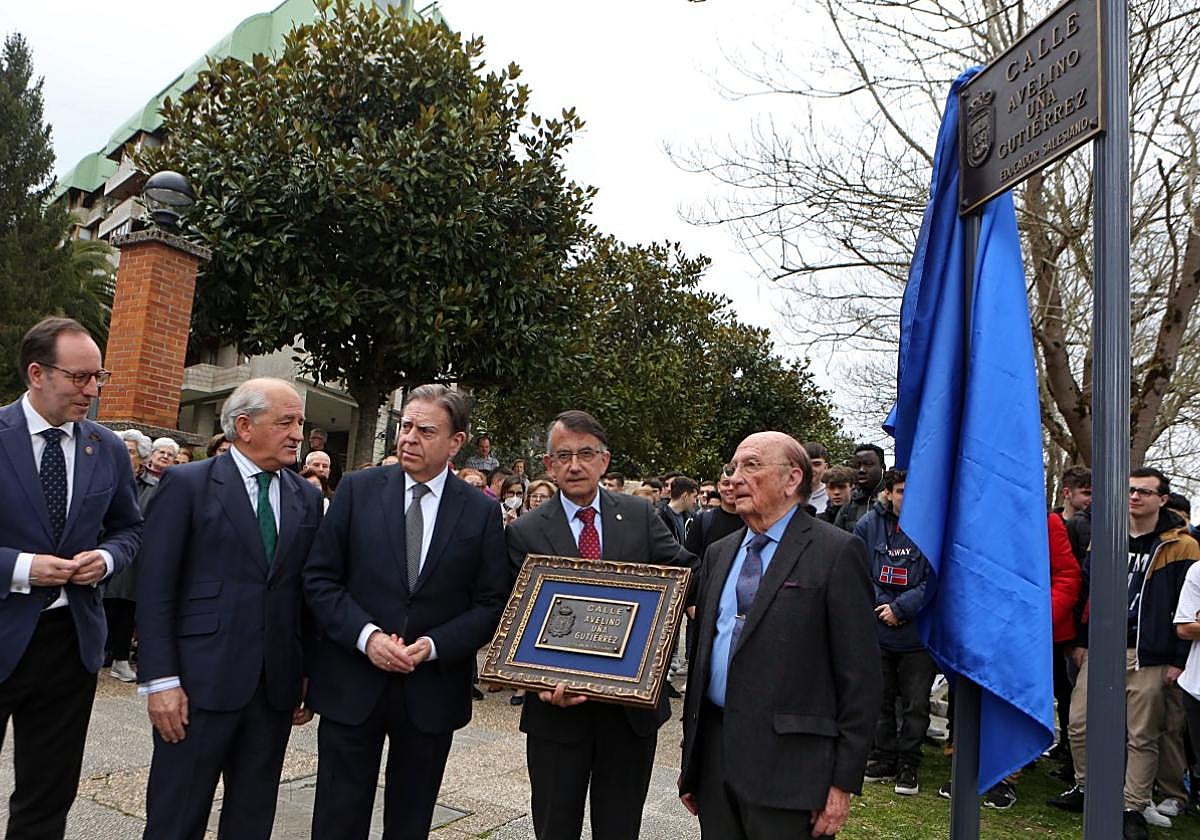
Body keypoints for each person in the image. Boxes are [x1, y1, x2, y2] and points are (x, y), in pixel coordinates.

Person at [304, 385, 510, 840]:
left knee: (411, 821)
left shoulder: (479, 511)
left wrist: (434, 646)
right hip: (352, 682)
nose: (410, 438)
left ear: (456, 442)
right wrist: (368, 637)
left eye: (426, 430)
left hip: (431, 691)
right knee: (337, 817)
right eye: (406, 426)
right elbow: (320, 580)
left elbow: (490, 603)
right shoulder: (357, 490)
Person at [136, 378, 323, 839]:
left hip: (273, 689)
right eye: (286, 422)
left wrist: (306, 673)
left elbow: (303, 592)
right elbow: (156, 588)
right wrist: (160, 681)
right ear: (244, 426)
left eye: (300, 422)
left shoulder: (305, 496)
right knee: (176, 817)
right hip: (197, 685)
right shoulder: (187, 484)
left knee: (251, 819)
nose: (298, 434)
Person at [679, 432, 881, 838]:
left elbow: (859, 676)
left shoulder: (836, 551)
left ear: (792, 479)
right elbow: (702, 655)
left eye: (751, 465)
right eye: (733, 467)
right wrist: (693, 762)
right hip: (717, 758)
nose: (735, 478)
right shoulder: (719, 552)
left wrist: (842, 782)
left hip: (793, 769)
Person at [506, 410, 693, 840]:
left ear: (604, 461)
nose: (575, 465)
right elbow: (511, 615)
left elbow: (683, 573)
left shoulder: (640, 515)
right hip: (556, 713)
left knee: (620, 827)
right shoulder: (525, 531)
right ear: (549, 464)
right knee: (555, 828)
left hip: (629, 716)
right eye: (563, 455)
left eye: (586, 454)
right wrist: (532, 678)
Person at [0, 317, 143, 838]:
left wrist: (105, 559)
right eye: (79, 377)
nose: (92, 390)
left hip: (70, 642)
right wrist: (22, 567)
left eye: (98, 377)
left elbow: (129, 528)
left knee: (48, 794)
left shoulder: (106, 447)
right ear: (37, 374)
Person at [1050, 467, 1198, 840]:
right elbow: (1086, 591)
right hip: (1101, 646)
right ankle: (1087, 788)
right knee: (1080, 723)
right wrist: (1079, 640)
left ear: (1162, 499)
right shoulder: (1106, 534)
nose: (1134, 497)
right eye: (1130, 490)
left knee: (1141, 733)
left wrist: (1178, 660)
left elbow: (1188, 607)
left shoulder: (1182, 545)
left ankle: (1132, 806)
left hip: (1149, 652)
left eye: (1144, 492)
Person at [855, 469, 935, 797]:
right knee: (880, 698)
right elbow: (858, 570)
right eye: (901, 491)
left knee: (916, 703)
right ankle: (884, 756)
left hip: (918, 633)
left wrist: (901, 608)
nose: (906, 498)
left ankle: (908, 763)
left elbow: (936, 577)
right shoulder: (867, 525)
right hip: (878, 628)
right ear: (889, 493)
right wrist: (884, 606)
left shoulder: (933, 526)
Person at [105, 429, 156, 683]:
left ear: (143, 457)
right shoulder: (106, 477)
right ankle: (101, 652)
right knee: (103, 603)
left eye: (132, 451)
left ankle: (121, 658)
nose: (126, 455)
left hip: (136, 556)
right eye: (123, 449)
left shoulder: (153, 487)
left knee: (126, 606)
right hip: (105, 551)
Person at [834, 443, 886, 532]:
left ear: (883, 468)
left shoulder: (895, 500)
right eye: (857, 466)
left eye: (868, 465)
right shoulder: (849, 505)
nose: (861, 470)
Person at [804, 442, 830, 515]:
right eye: (807, 464)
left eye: (816, 464)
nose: (811, 469)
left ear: (825, 467)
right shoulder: (787, 496)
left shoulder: (833, 496)